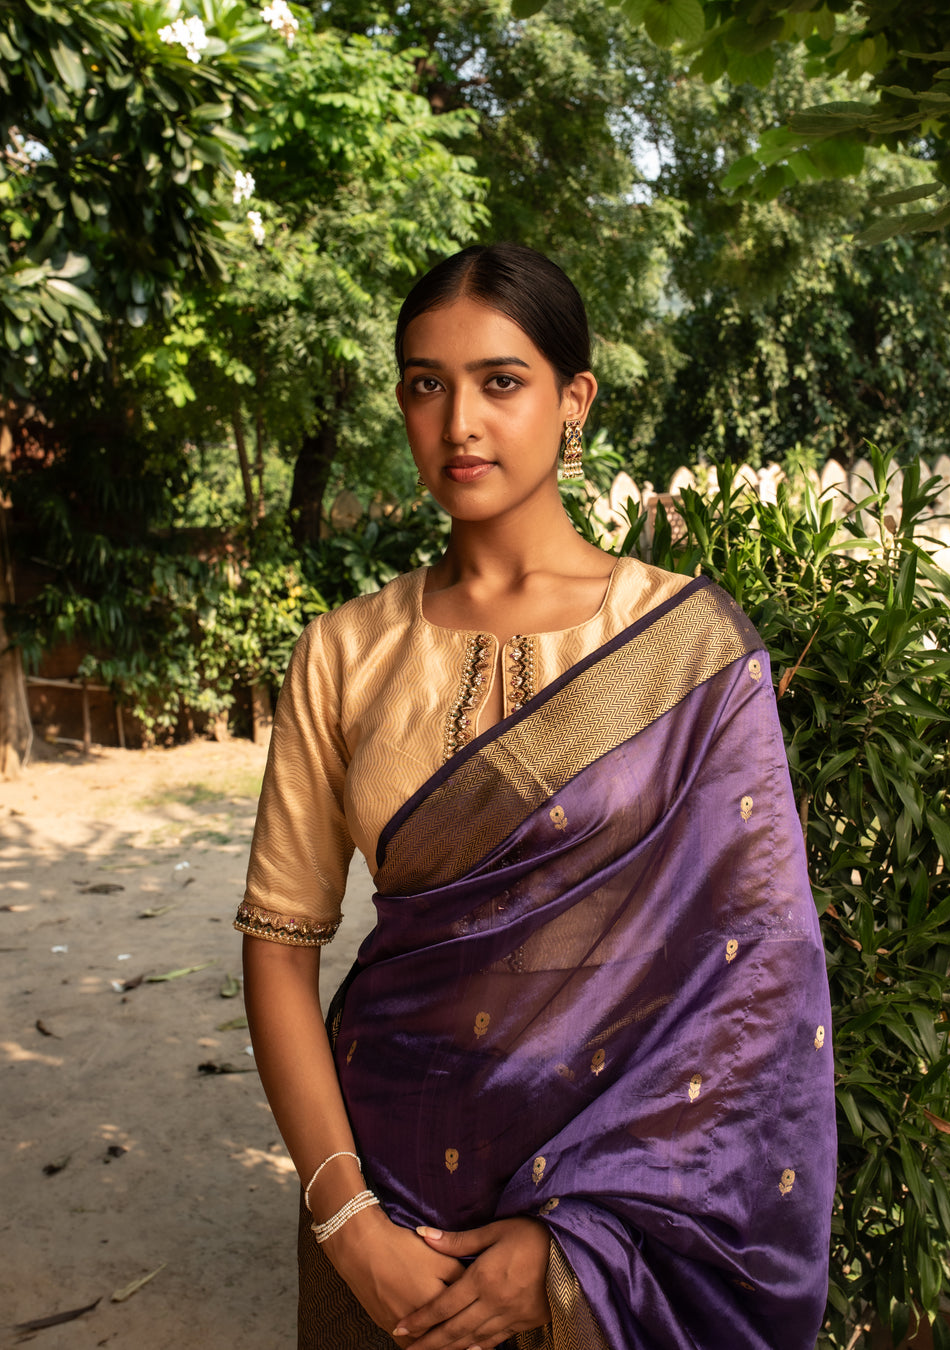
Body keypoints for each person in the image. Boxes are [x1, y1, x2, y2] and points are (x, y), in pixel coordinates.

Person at [237, 242, 836, 1350]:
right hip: (390, 1192)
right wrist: (348, 1219)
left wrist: (576, 1251)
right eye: (427, 384)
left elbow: (756, 987)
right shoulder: (342, 653)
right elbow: (280, 943)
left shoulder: (690, 649)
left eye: (500, 382)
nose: (460, 420)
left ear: (575, 400)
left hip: (624, 1218)